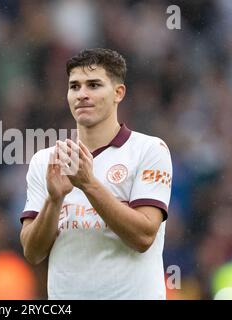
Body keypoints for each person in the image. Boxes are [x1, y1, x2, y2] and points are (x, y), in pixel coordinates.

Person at [20, 48, 173, 299]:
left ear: (118, 93)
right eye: (74, 87)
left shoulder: (149, 150)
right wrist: (54, 200)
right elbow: (33, 252)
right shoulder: (45, 161)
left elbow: (144, 236)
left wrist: (88, 184)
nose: (82, 94)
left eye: (93, 85)